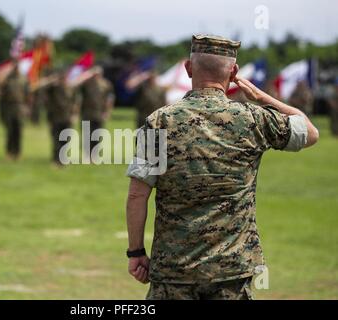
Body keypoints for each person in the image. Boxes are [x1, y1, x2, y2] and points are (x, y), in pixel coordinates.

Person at [125, 34, 319, 300]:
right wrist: (263, 98)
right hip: (231, 272)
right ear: (234, 72)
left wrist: (136, 253)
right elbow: (310, 132)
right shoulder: (253, 118)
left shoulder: (159, 121)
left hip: (173, 271)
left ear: (188, 68)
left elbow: (138, 194)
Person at [39, 70, 77, 165]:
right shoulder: (53, 88)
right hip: (55, 118)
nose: (64, 79)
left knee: (66, 139)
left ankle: (63, 158)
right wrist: (51, 80)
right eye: (62, 78)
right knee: (56, 139)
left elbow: (74, 103)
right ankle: (56, 160)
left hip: (67, 118)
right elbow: (40, 86)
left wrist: (74, 115)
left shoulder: (69, 89)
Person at [79, 67, 115, 156]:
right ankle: (87, 155)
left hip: (99, 114)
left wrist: (107, 112)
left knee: (97, 135)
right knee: (87, 135)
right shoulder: (86, 83)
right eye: (94, 74)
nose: (96, 76)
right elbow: (76, 83)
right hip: (87, 113)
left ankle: (95, 155)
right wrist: (87, 74)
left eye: (98, 74)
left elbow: (109, 99)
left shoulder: (106, 84)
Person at [0, 60, 29, 160]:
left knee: (18, 131)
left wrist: (27, 107)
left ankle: (17, 152)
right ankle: (9, 152)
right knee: (10, 130)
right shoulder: (7, 79)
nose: (15, 68)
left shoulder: (23, 79)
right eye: (14, 66)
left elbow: (28, 95)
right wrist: (6, 73)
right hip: (9, 107)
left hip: (20, 107)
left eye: (17, 66)